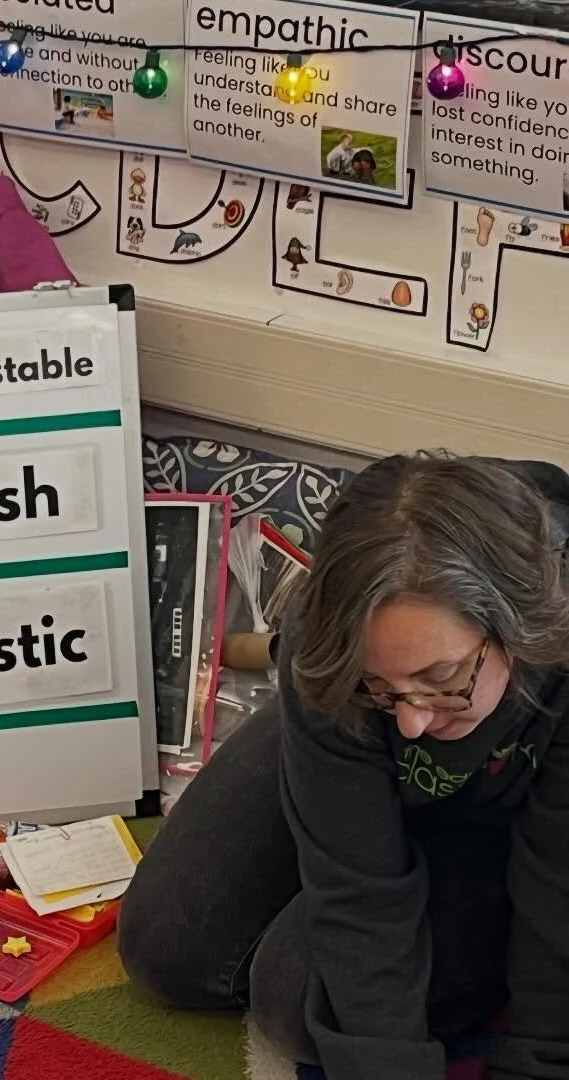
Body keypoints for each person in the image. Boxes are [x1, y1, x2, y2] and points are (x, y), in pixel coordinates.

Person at [119, 453, 569, 1079]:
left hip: (511, 820)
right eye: (380, 685)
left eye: (442, 678)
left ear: (518, 629)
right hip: (343, 735)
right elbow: (359, 889)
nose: (412, 721)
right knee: (164, 949)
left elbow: (557, 901)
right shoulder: (334, 636)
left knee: (296, 999)